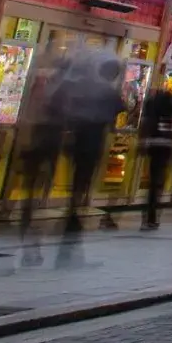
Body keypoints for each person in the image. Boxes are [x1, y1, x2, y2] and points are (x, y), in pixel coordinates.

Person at [12, 43, 69, 246]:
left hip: (34, 134)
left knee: (32, 176)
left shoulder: (36, 82)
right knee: (40, 175)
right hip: (46, 136)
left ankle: (27, 211)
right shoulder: (61, 89)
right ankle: (32, 209)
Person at [62, 52, 124, 232]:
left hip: (79, 136)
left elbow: (72, 108)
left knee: (77, 175)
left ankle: (72, 210)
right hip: (95, 139)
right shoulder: (110, 93)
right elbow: (118, 114)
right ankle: (76, 211)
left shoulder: (86, 88)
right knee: (85, 177)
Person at [136, 78, 172, 230]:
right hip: (165, 147)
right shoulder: (170, 109)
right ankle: (152, 216)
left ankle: (149, 215)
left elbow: (147, 124)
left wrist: (143, 142)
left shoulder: (153, 106)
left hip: (154, 145)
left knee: (153, 181)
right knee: (158, 182)